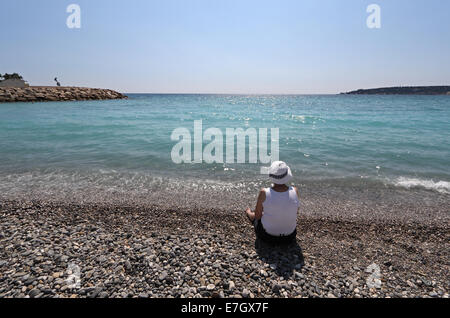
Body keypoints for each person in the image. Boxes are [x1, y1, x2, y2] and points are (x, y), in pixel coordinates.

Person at [245, 161, 300, 245]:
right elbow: (296, 212)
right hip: (290, 237)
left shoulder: (264, 192)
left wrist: (250, 213)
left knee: (256, 216)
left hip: (268, 237)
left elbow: (258, 216)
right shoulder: (295, 191)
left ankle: (249, 213)